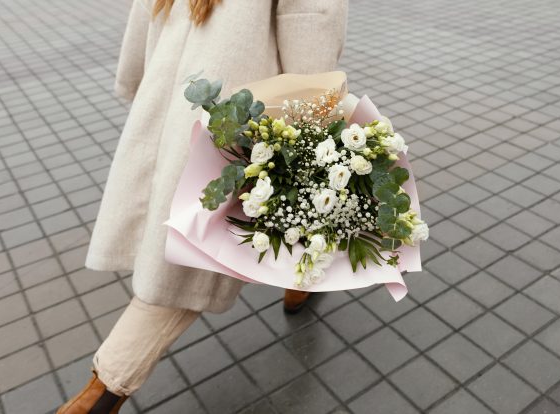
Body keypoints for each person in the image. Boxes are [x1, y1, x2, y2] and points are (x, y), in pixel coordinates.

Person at [57, 0, 348, 412]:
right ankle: (102, 390)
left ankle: (302, 279)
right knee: (185, 267)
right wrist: (317, 116)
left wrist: (138, 83)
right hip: (241, 115)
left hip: (177, 100)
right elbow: (310, 21)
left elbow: (144, 16)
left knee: (203, 239)